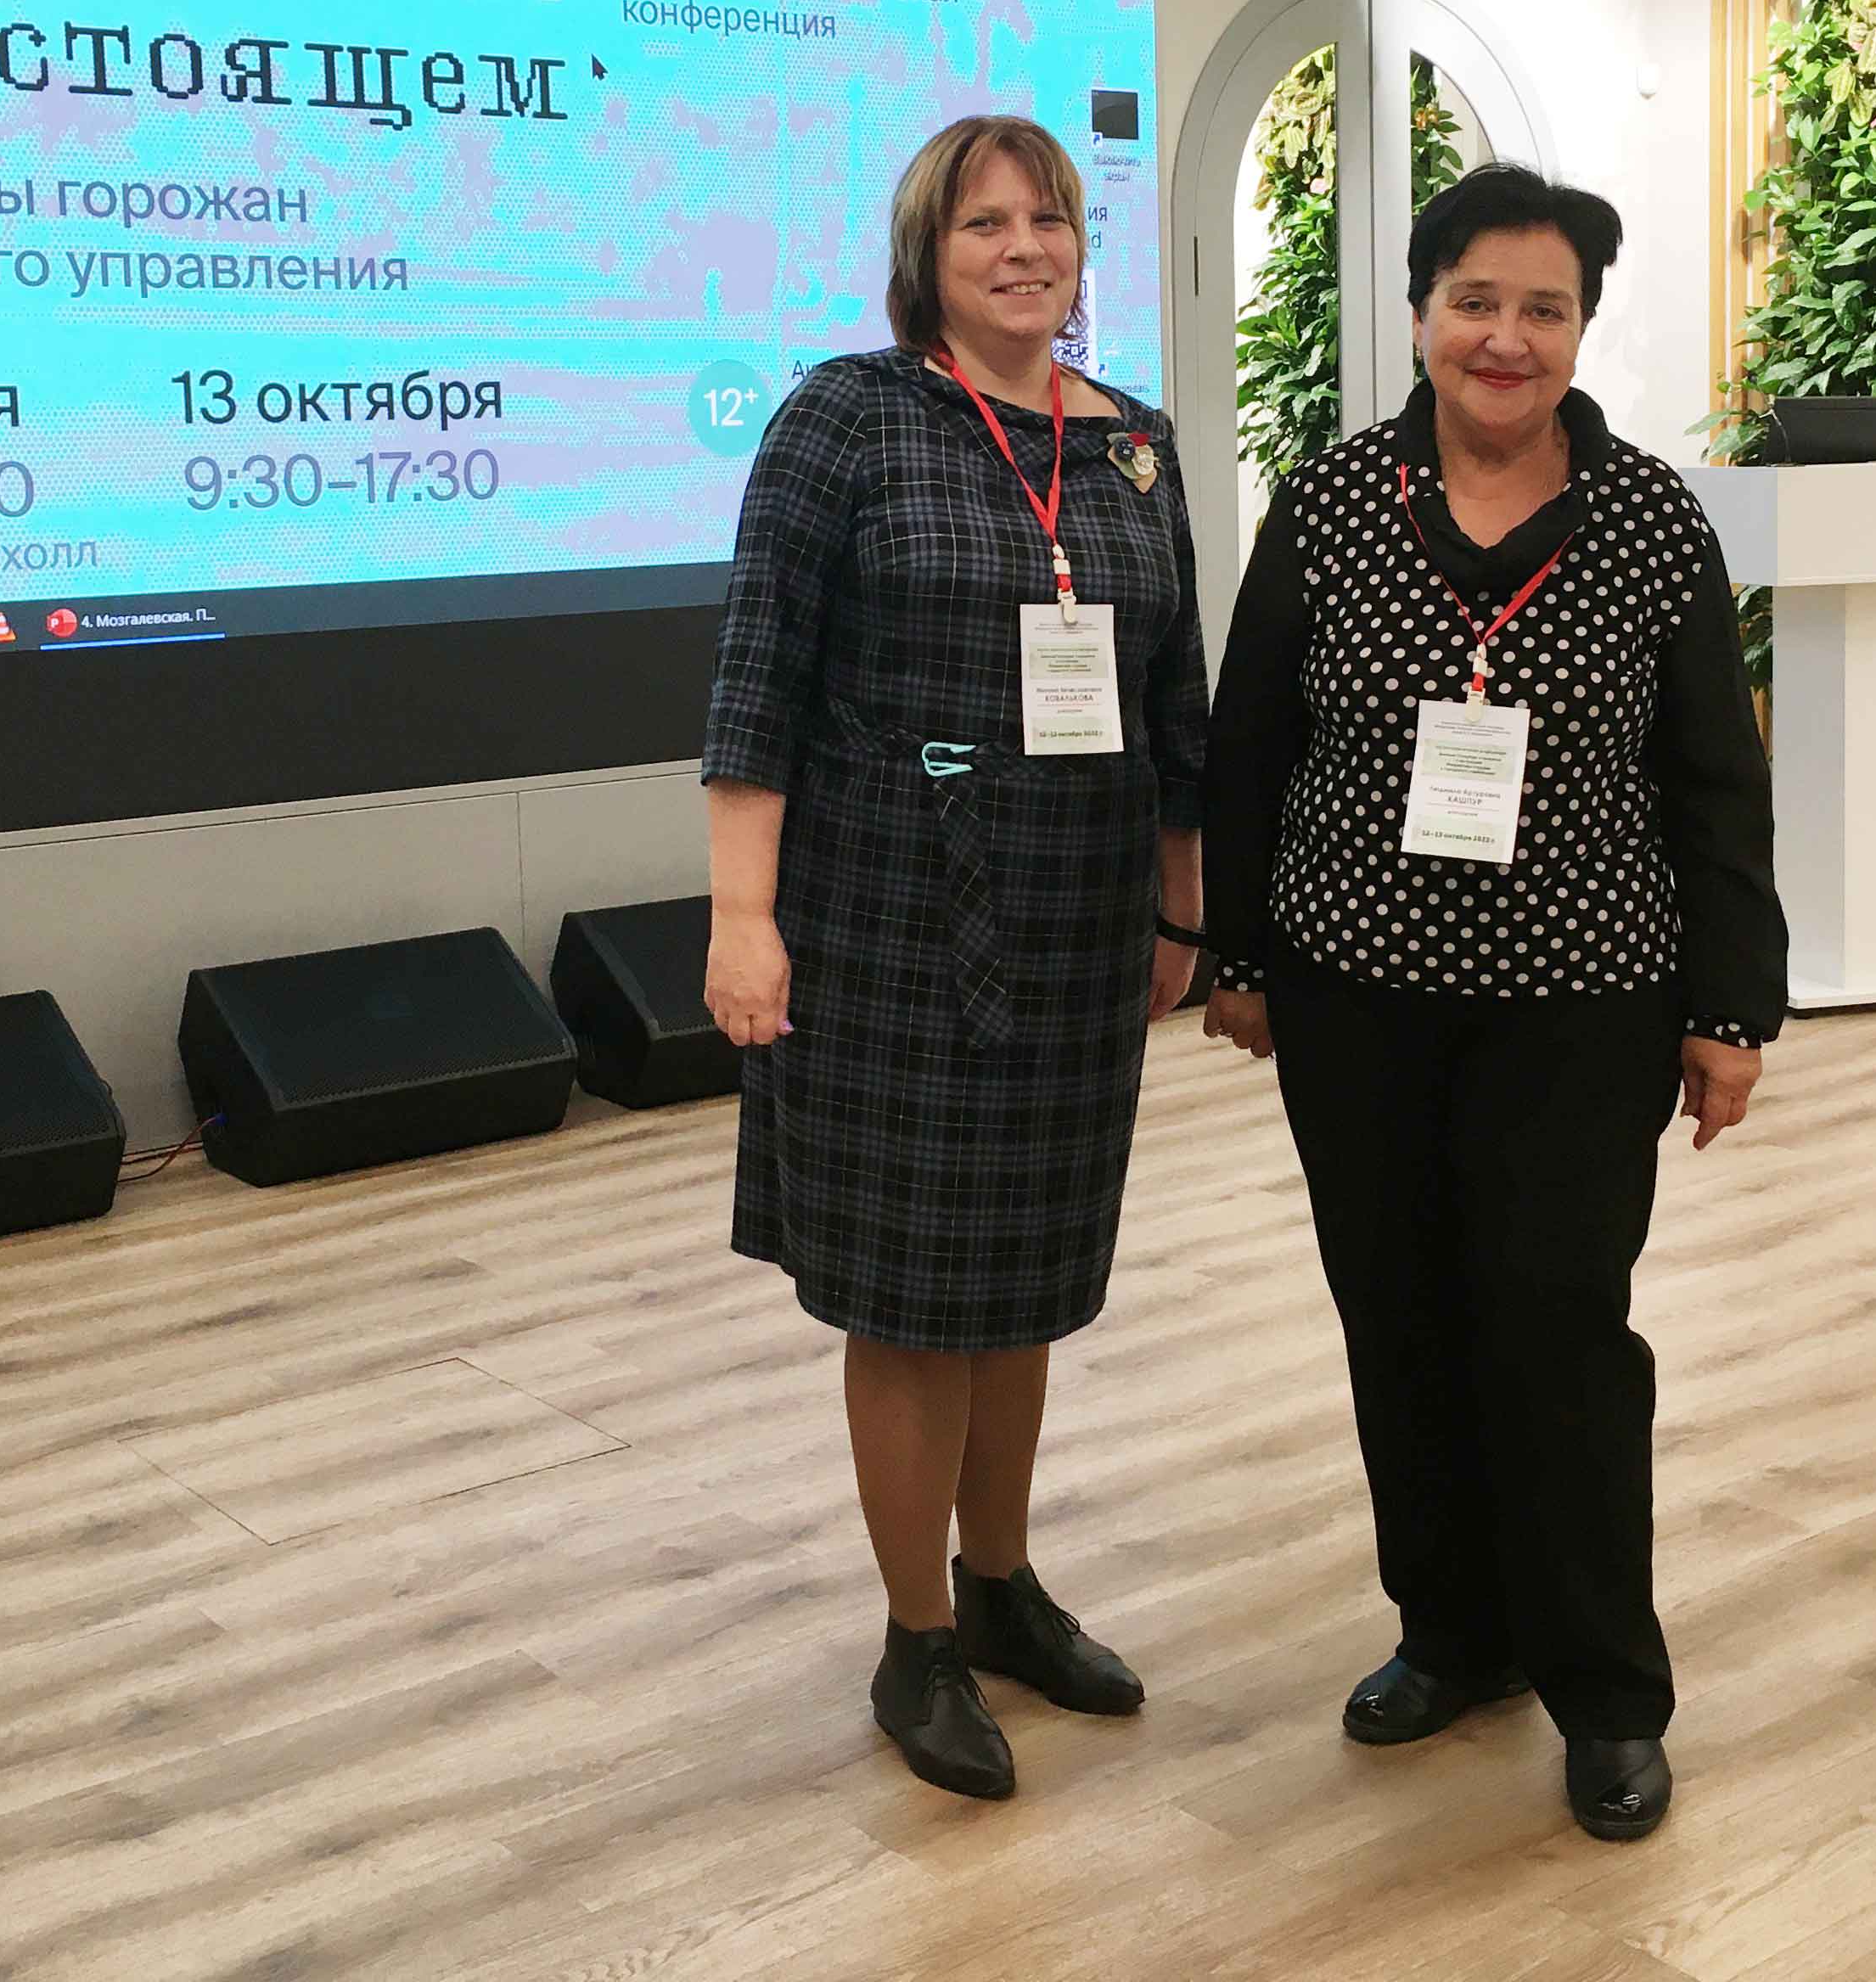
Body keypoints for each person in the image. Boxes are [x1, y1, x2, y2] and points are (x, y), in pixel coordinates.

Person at [1200, 160, 1786, 1843]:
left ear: (1583, 329)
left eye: (1544, 308)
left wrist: (1732, 1006)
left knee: (1557, 1330)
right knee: (1398, 1319)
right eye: (1476, 301)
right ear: (1419, 316)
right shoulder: (1332, 503)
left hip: (1583, 1000)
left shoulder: (1651, 522)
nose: (1506, 338)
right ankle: (1452, 1634)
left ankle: (1605, 1691)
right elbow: (1252, 743)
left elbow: (1714, 782)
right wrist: (1240, 954)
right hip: (1355, 998)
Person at [703, 114, 1210, 1802]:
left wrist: (1182, 907)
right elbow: (757, 678)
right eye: (985, 222)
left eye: (1048, 218)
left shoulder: (1133, 449)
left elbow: (1175, 704)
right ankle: (916, 1635)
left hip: (1075, 927)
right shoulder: (850, 417)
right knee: (916, 1295)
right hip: (886, 922)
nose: (1024, 247)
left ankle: (1001, 1587)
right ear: (926, 252)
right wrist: (743, 916)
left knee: (1027, 1278)